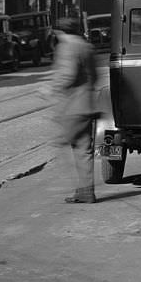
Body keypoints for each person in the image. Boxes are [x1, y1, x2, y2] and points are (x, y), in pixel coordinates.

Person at [48, 17, 98, 203]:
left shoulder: (67, 46)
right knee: (83, 149)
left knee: (61, 143)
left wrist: (52, 88)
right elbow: (95, 75)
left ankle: (81, 188)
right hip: (88, 104)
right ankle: (86, 191)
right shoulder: (86, 46)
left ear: (59, 32)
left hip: (72, 107)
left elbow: (68, 75)